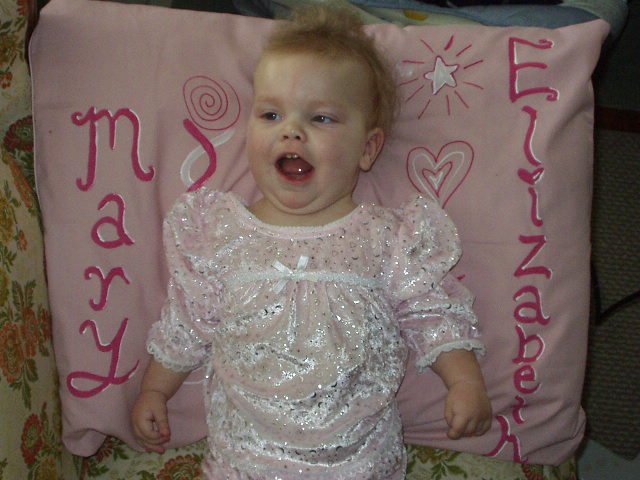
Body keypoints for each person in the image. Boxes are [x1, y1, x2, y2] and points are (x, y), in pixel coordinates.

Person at [131, 2, 492, 478]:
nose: (291, 131)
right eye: (271, 114)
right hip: (245, 459)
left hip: (356, 462)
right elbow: (188, 320)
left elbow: (432, 314)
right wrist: (155, 390)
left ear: (368, 149)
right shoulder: (221, 233)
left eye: (321, 118)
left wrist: (464, 381)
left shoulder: (387, 238)